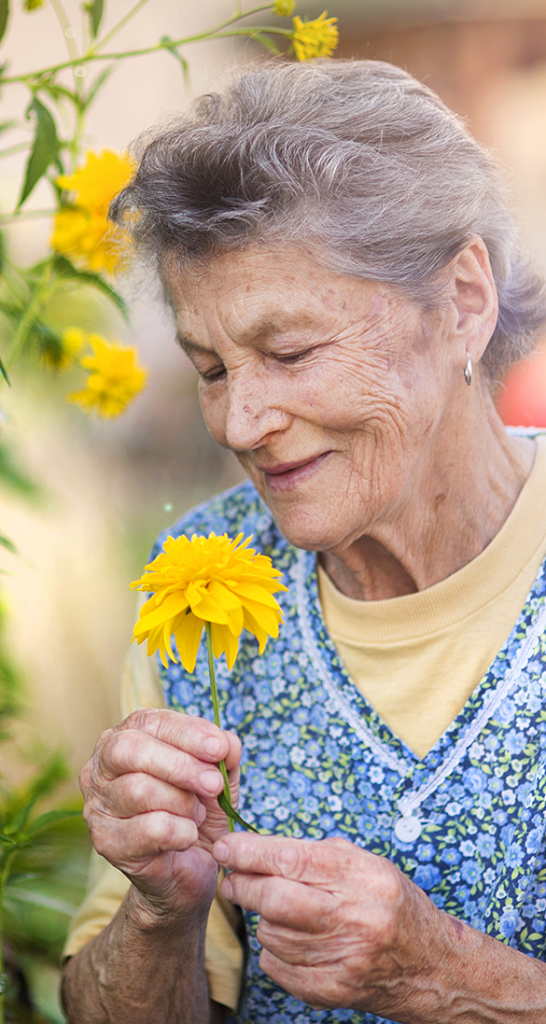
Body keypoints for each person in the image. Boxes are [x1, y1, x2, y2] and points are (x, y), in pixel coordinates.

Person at [62, 59, 546, 1024]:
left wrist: (454, 982)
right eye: (210, 368)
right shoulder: (198, 592)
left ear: (461, 301)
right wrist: (160, 912)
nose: (241, 421)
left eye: (289, 353)